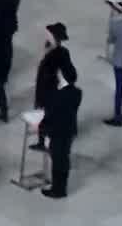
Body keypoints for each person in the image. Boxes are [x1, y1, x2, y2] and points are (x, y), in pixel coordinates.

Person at [31, 23, 77, 149]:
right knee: (44, 115)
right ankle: (43, 140)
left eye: (49, 33)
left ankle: (46, 142)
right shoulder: (51, 48)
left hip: (50, 90)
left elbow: (69, 74)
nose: (46, 35)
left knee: (47, 116)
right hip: (45, 88)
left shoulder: (59, 53)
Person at [41, 65, 81, 199]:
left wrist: (43, 130)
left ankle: (57, 189)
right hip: (69, 130)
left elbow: (50, 115)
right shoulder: (77, 92)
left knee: (57, 160)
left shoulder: (57, 96)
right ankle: (61, 187)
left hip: (57, 131)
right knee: (64, 158)